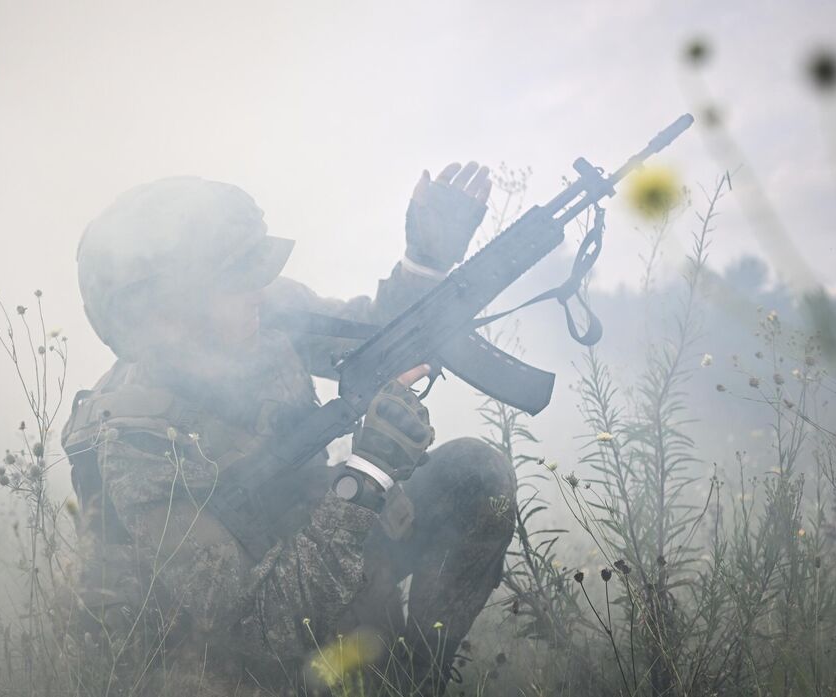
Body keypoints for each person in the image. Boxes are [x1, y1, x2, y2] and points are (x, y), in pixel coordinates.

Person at [61, 165, 518, 695]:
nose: (257, 291)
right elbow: (253, 633)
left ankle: (416, 682)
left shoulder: (262, 315)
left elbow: (377, 337)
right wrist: (367, 474)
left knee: (475, 476)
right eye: (233, 282)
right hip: (223, 657)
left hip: (316, 545)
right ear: (169, 314)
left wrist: (427, 262)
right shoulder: (141, 443)